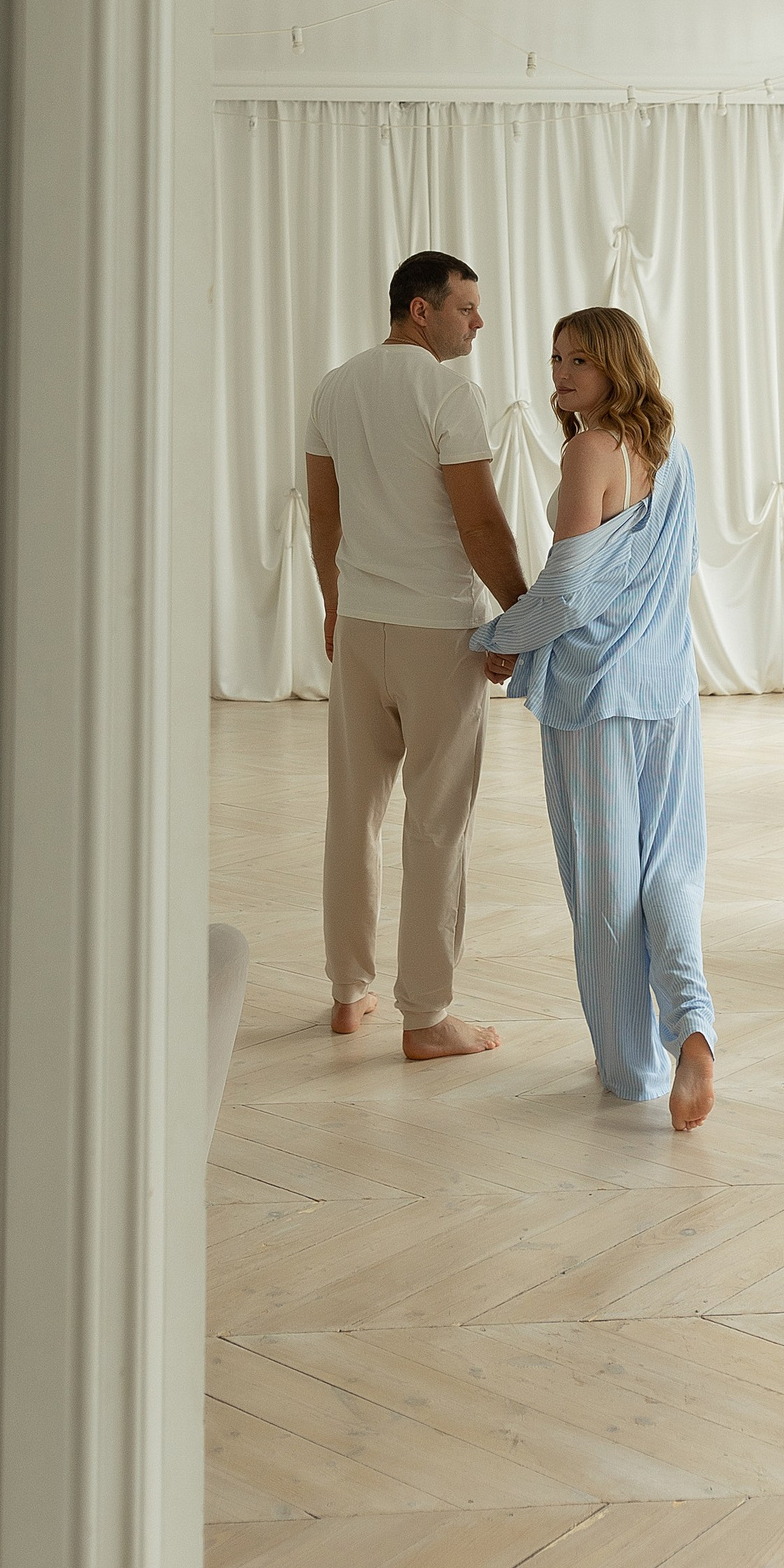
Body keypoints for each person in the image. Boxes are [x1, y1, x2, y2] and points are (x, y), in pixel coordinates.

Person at [472, 307, 717, 1131]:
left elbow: (570, 589)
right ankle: (693, 1029)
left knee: (607, 887)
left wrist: (500, 639)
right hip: (668, 691)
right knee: (671, 870)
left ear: (618, 363)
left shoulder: (591, 449)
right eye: (555, 358)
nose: (561, 373)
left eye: (580, 359)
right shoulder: (672, 453)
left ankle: (632, 1069)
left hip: (596, 698)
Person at [305, 251, 529, 1061]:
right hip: (439, 634)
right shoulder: (448, 393)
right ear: (421, 310)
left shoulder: (335, 388)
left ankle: (347, 993)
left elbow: (323, 515)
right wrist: (522, 618)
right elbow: (480, 523)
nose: (478, 322)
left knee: (352, 815)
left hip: (362, 626)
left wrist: (334, 606)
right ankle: (427, 1017)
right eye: (466, 308)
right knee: (436, 822)